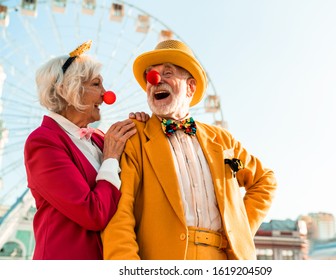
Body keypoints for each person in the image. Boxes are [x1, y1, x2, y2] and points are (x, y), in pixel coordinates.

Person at [101, 39, 277, 260]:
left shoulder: (222, 140)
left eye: (168, 72)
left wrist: (238, 230)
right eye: (151, 75)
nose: (156, 80)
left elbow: (265, 181)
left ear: (191, 87)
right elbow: (119, 215)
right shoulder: (135, 137)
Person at [23, 40, 149, 260]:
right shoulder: (42, 142)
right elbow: (92, 213)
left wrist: (143, 129)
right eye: (96, 84)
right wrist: (110, 159)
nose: (106, 94)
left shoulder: (101, 139)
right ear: (69, 90)